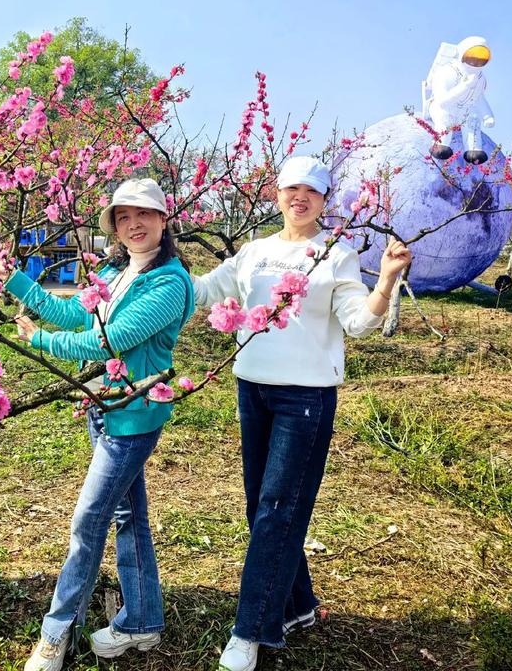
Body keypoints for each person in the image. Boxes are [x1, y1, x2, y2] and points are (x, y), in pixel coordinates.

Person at [193, 156, 411, 671]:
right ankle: (299, 607)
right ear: (277, 195)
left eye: (311, 191)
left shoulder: (335, 253)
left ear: (323, 200)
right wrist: (156, 260)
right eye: (292, 188)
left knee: (275, 509)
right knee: (262, 507)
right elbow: (204, 290)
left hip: (305, 397)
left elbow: (357, 322)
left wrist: (385, 280)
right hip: (253, 389)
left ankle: (251, 631)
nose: (300, 197)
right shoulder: (253, 251)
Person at [0, 178, 195, 671]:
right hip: (103, 405)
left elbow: (109, 342)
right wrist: (16, 280)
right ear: (115, 227)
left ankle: (56, 633)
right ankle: (143, 619)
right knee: (128, 516)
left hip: (134, 416)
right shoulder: (113, 271)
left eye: (143, 215)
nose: (134, 224)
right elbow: (75, 315)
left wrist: (41, 342)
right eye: (124, 217)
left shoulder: (169, 282)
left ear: (163, 221)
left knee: (88, 522)